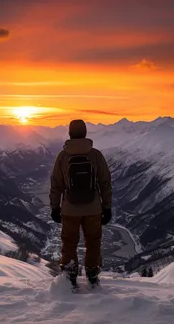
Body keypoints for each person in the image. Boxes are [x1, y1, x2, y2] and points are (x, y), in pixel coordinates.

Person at [49, 119, 112, 287]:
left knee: (69, 242)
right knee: (93, 241)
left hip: (70, 209)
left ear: (70, 134)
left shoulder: (63, 156)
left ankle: (70, 277)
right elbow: (105, 183)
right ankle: (92, 275)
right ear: (85, 133)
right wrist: (107, 207)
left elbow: (56, 184)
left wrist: (55, 207)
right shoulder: (95, 155)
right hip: (93, 208)